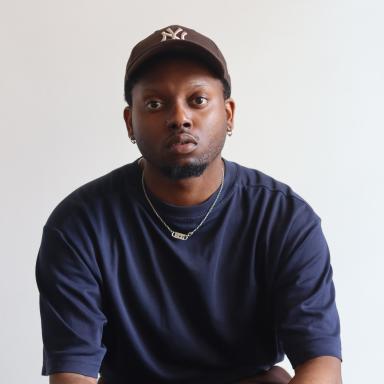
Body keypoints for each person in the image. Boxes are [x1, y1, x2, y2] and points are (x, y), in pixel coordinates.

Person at [36, 25, 342, 384]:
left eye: (197, 100)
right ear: (129, 121)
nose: (179, 117)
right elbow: (73, 375)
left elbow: (320, 363)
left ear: (228, 114)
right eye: (154, 103)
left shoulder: (285, 219)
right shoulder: (79, 226)